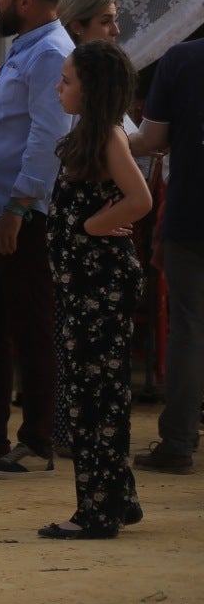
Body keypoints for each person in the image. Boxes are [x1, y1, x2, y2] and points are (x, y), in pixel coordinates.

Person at [0, 0, 74, 479]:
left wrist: (18, 208)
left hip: (22, 211)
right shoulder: (28, 47)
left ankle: (37, 439)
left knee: (30, 325)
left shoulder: (51, 53)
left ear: (25, 1)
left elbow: (48, 139)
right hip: (0, 205)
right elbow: (16, 125)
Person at [38, 40, 152, 539]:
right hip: (85, 285)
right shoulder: (91, 134)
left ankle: (97, 511)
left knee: (95, 398)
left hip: (99, 286)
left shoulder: (107, 135)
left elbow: (140, 199)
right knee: (95, 393)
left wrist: (91, 227)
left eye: (67, 80)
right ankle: (117, 499)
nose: (59, 87)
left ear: (92, 88)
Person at [132, 33, 204, 474]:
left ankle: (178, 442)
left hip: (192, 208)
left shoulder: (181, 59)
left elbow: (152, 137)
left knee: (189, 329)